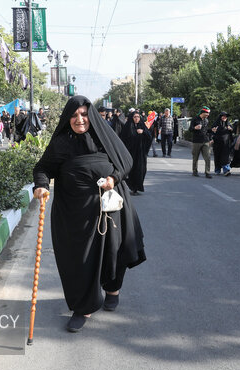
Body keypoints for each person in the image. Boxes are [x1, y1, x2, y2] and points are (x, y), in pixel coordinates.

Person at [32, 95, 146, 333]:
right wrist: (41, 185)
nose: (79, 119)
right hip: (75, 213)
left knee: (114, 250)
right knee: (79, 259)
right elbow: (43, 167)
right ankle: (83, 307)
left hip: (109, 208)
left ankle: (112, 289)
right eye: (74, 115)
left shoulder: (104, 137)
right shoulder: (61, 142)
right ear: (67, 118)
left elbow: (125, 160)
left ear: (91, 115)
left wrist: (113, 178)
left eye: (84, 114)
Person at [120, 110, 153, 195]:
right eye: (135, 117)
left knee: (141, 170)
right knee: (131, 170)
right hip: (130, 153)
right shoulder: (127, 126)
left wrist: (143, 132)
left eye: (138, 117)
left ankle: (138, 187)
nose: (137, 118)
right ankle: (133, 188)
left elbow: (149, 137)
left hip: (140, 153)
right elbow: (122, 139)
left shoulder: (142, 126)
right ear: (132, 118)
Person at [190, 106, 212, 178]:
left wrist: (212, 130)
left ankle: (207, 172)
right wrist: (195, 128)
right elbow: (190, 129)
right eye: (207, 113)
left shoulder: (206, 120)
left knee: (208, 157)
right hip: (197, 141)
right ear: (203, 112)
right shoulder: (195, 119)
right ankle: (195, 171)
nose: (208, 115)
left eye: (208, 113)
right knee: (195, 157)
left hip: (205, 141)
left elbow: (206, 130)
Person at [210, 111, 233, 176]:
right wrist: (212, 138)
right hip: (217, 144)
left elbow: (231, 131)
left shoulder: (228, 124)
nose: (224, 117)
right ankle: (217, 169)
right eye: (223, 116)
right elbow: (212, 132)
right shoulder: (216, 124)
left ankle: (226, 170)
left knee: (225, 157)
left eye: (226, 116)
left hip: (226, 144)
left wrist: (230, 129)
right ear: (220, 117)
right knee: (217, 157)